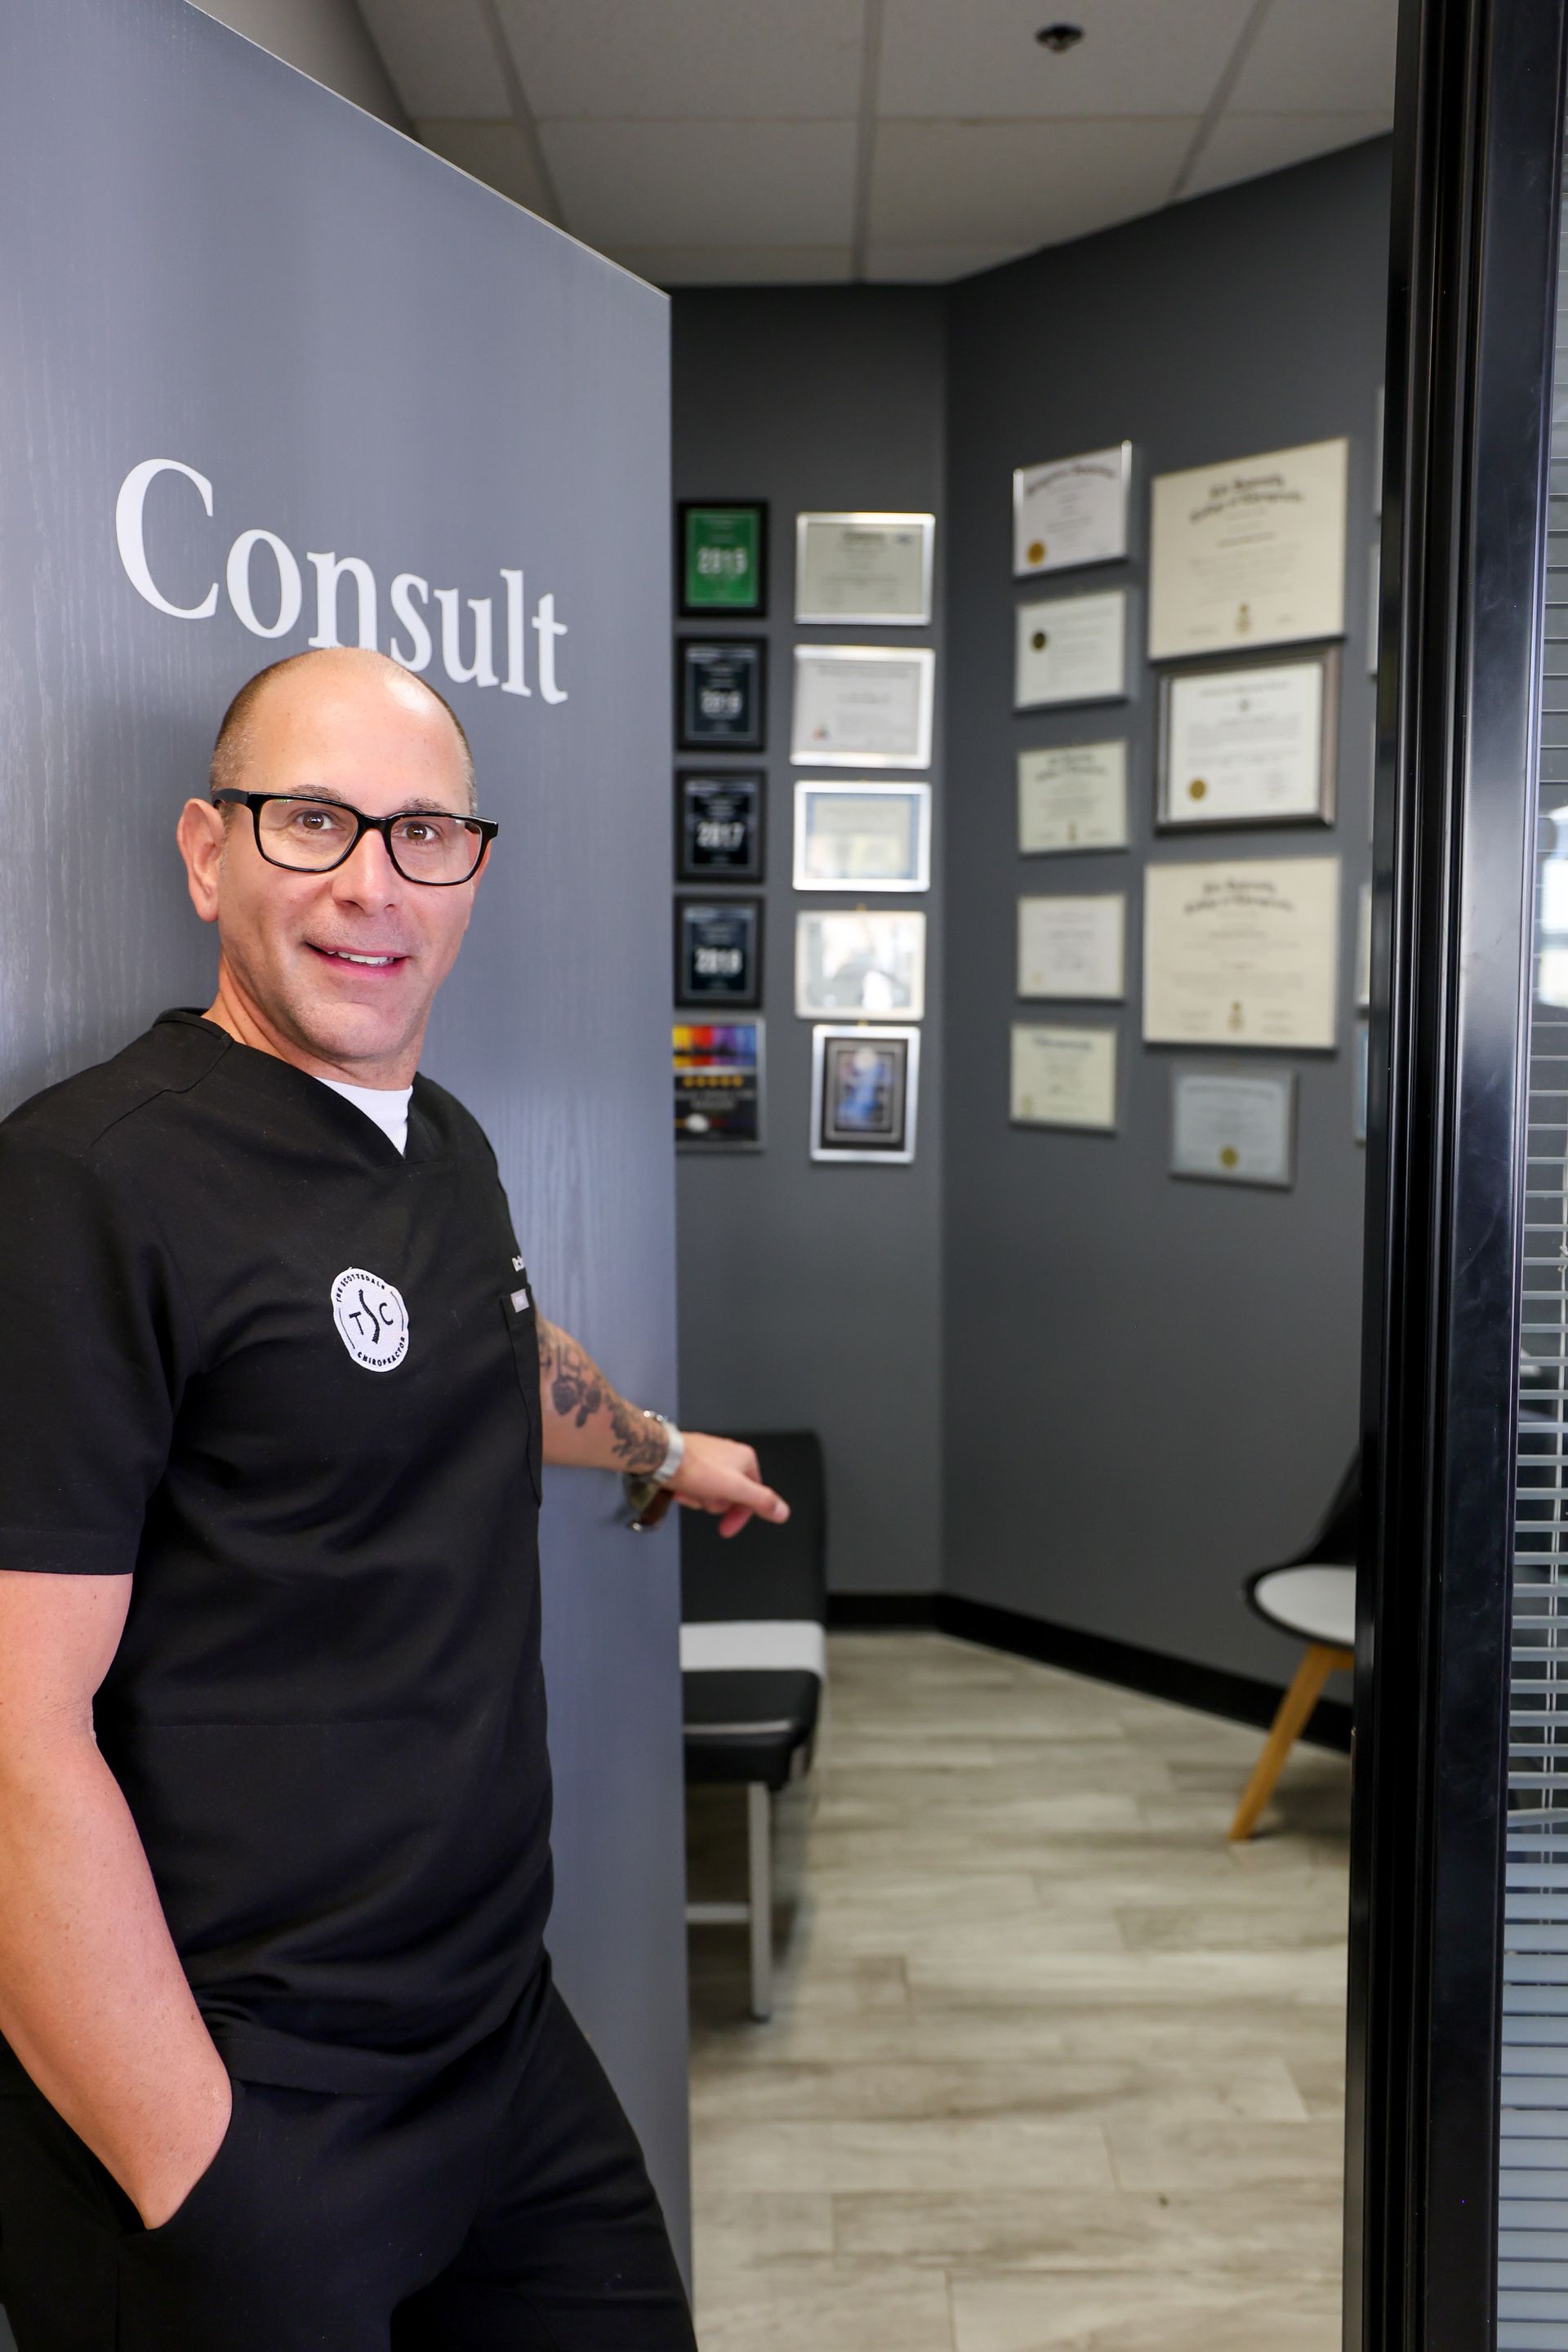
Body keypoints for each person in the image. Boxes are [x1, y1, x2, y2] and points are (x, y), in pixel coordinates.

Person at [0, 648, 786, 2350]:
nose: (373, 882)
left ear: (473, 875)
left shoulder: (441, 1147)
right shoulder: (89, 1184)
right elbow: (12, 1732)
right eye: (313, 823)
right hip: (248, 2104)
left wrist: (659, 1448)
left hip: (495, 2039)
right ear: (209, 852)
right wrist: (199, 2180)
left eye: (423, 832)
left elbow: (485, 1349)